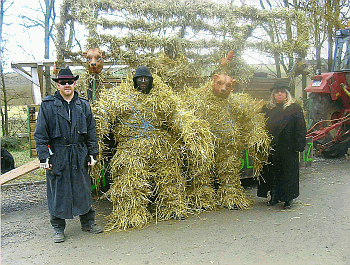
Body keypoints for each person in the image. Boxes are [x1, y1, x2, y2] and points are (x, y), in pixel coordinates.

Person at [34, 67, 103, 243]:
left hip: (79, 153)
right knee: (58, 191)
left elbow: (91, 132)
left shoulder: (83, 105)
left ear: (75, 84)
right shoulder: (48, 105)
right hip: (58, 154)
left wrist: (92, 153)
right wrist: (44, 157)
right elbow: (41, 134)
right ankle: (58, 228)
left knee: (83, 189)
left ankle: (88, 223)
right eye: (63, 82)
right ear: (58, 85)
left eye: (70, 82)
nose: (67, 85)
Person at [257, 80, 306, 209]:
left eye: (282, 92)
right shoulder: (267, 108)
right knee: (272, 172)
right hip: (272, 147)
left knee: (288, 173)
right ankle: (274, 196)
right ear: (273, 94)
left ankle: (288, 199)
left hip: (288, 147)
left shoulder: (294, 108)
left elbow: (301, 128)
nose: (279, 94)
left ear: (287, 94)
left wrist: (299, 145)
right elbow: (259, 126)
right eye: (277, 92)